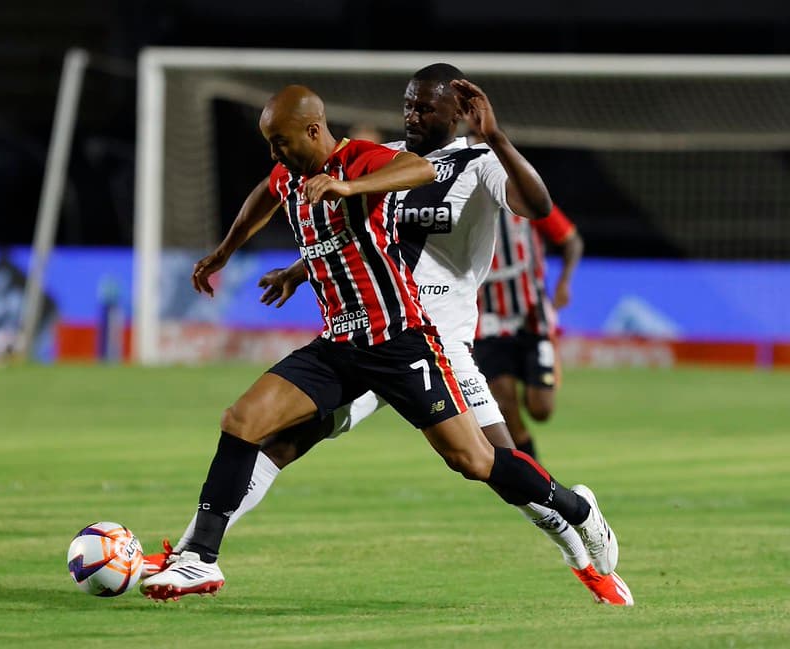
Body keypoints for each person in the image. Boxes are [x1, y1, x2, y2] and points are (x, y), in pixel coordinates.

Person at [140, 78, 622, 605]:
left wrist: (499, 138)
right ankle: (195, 554)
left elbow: (534, 203)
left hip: (428, 341)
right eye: (408, 106)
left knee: (483, 463)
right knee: (263, 432)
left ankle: (577, 518)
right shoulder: (373, 157)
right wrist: (284, 265)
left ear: (457, 112)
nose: (411, 116)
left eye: (424, 107)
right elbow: (336, 224)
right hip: (347, 339)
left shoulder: (469, 163)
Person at [473, 202, 584, 459]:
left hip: (531, 317)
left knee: (541, 409)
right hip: (487, 321)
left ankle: (540, 370)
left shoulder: (525, 200)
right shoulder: (466, 203)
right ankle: (534, 480)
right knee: (505, 408)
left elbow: (572, 240)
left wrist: (564, 282)